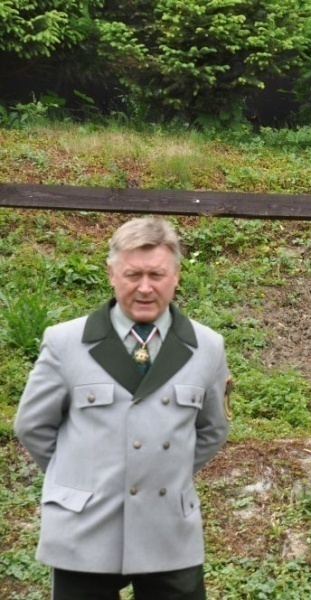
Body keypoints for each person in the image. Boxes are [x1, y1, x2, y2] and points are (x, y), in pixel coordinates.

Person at [15, 217, 232, 600]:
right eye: (133, 274)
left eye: (157, 274)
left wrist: (160, 472)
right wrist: (84, 477)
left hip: (169, 528)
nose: (145, 287)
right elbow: (33, 426)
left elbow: (212, 429)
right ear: (112, 274)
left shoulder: (207, 346)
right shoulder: (66, 343)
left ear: (176, 275)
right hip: (85, 527)